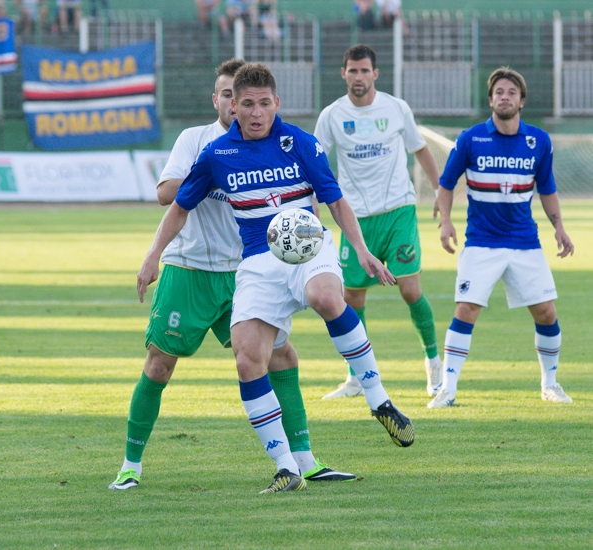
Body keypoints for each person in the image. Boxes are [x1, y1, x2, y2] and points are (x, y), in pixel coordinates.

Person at [137, 62, 415, 494]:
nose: (256, 112)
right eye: (247, 104)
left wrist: (361, 250)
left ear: (276, 103)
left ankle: (378, 400)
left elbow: (335, 200)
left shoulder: (299, 142)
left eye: (264, 103)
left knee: (326, 297)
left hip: (309, 247)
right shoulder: (216, 155)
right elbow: (178, 207)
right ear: (233, 105)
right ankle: (287, 468)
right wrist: (153, 255)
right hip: (257, 263)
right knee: (248, 359)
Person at [430, 67, 575, 408]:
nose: (504, 97)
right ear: (491, 99)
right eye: (499, 92)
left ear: (521, 101)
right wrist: (446, 222)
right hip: (481, 242)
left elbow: (547, 189)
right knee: (466, 309)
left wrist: (559, 227)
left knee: (547, 313)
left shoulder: (538, 141)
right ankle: (447, 389)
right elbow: (446, 184)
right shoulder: (471, 138)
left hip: (525, 242)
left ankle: (550, 384)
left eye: (511, 92)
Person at [314, 44, 443, 400]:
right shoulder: (331, 116)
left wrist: (439, 190)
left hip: (398, 211)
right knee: (351, 297)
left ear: (375, 73)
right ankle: (357, 376)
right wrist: (311, 206)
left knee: (410, 290)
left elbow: (420, 149)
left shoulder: (396, 108)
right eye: (352, 71)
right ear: (343, 73)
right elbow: (315, 162)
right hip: (355, 219)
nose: (359, 77)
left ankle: (434, 363)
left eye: (364, 70)